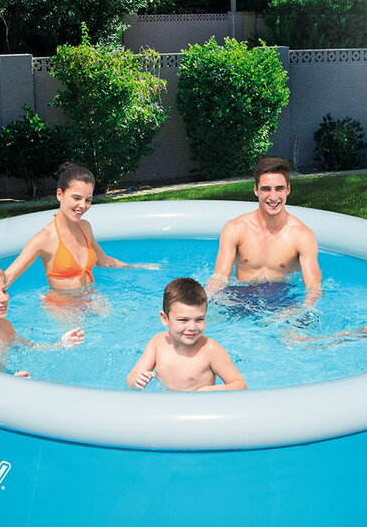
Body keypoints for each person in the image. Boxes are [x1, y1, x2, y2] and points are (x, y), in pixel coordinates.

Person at [3, 163, 159, 293]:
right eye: (76, 198)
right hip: (62, 307)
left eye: (88, 200)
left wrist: (138, 267)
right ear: (60, 194)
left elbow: (103, 261)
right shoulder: (44, 239)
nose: (83, 206)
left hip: (91, 296)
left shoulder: (85, 227)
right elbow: (7, 278)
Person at [206, 156, 321, 304]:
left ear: (288, 189)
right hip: (241, 297)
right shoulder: (235, 228)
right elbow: (219, 278)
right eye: (266, 189)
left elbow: (313, 288)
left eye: (279, 188)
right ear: (256, 190)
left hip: (281, 300)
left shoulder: (302, 236)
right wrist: (206, 301)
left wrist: (302, 310)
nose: (273, 197)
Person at [0, 261, 83, 376]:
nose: (4, 298)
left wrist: (60, 344)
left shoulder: (4, 325)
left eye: (4, 291)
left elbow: (31, 348)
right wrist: (14, 383)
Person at [126, 277, 247, 392]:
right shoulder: (157, 343)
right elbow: (132, 376)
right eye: (183, 320)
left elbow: (240, 385)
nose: (192, 327)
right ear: (165, 319)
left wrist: (210, 390)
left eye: (199, 319)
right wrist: (136, 381)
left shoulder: (210, 350)